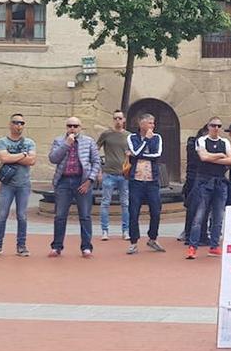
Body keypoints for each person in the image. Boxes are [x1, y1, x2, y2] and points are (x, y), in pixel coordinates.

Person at [48, 116, 101, 258]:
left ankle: (86, 247)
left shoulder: (88, 141)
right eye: (70, 125)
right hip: (63, 181)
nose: (72, 128)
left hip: (82, 181)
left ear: (80, 128)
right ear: (66, 127)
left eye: (75, 126)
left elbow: (96, 162)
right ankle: (57, 246)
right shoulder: (59, 141)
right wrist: (66, 144)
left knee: (85, 216)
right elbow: (53, 158)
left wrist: (89, 180)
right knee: (60, 216)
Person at [0, 114, 37, 258]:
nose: (18, 125)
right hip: (7, 184)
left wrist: (13, 158)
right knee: (2, 215)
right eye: (15, 122)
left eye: (21, 123)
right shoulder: (2, 142)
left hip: (24, 185)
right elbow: (4, 158)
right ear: (10, 124)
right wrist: (23, 155)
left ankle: (21, 246)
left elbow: (32, 161)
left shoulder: (30, 142)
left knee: (22, 216)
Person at [186, 117, 231, 259]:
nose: (216, 128)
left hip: (220, 182)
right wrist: (220, 155)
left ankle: (214, 246)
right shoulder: (201, 140)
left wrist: (212, 157)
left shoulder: (225, 142)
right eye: (213, 125)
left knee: (218, 216)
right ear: (208, 126)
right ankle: (192, 246)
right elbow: (203, 157)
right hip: (204, 181)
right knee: (199, 215)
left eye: (219, 126)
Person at [126, 113, 166, 255]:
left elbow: (157, 155)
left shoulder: (157, 137)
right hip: (136, 181)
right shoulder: (131, 137)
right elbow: (136, 151)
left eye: (153, 123)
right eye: (149, 123)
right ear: (141, 124)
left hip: (152, 181)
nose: (152, 126)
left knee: (156, 210)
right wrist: (146, 142)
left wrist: (138, 154)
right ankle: (133, 242)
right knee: (134, 212)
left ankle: (152, 238)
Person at [96, 109, 131, 241]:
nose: (118, 121)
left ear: (124, 120)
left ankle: (125, 230)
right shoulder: (106, 134)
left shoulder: (129, 136)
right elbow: (95, 149)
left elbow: (135, 152)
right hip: (108, 173)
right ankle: (105, 231)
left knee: (125, 203)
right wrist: (98, 169)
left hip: (124, 175)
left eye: (120, 118)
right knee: (105, 203)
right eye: (115, 118)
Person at [179, 124, 210, 244]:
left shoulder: (192, 143)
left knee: (193, 209)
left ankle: (189, 234)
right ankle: (196, 235)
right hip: (197, 179)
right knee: (198, 209)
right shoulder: (196, 144)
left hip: (192, 179)